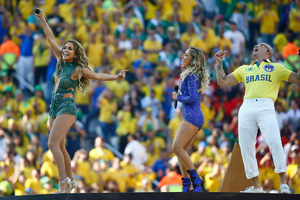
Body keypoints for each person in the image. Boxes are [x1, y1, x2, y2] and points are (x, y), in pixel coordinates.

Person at [35, 9, 128, 193]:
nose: (65, 50)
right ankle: (70, 181)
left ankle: (63, 183)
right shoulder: (60, 63)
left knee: (52, 144)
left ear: (76, 53)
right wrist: (44, 20)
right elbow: (51, 39)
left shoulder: (78, 68)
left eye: (70, 48)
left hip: (66, 107)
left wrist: (115, 77)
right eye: (65, 47)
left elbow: (97, 75)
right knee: (60, 145)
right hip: (53, 108)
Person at [214, 42, 300, 193]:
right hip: (246, 106)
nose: (255, 46)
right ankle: (256, 186)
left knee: (274, 141)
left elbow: (297, 78)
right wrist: (219, 64)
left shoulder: (276, 67)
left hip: (266, 106)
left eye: (260, 45)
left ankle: (283, 183)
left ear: (268, 51)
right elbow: (223, 81)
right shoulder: (245, 68)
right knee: (246, 146)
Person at [172, 46, 210, 192]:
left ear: (193, 60)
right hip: (195, 116)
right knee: (181, 152)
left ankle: (196, 180)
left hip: (192, 116)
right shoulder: (194, 75)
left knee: (176, 147)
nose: (182, 56)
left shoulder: (190, 75)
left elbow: (193, 98)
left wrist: (178, 97)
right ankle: (186, 184)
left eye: (186, 55)